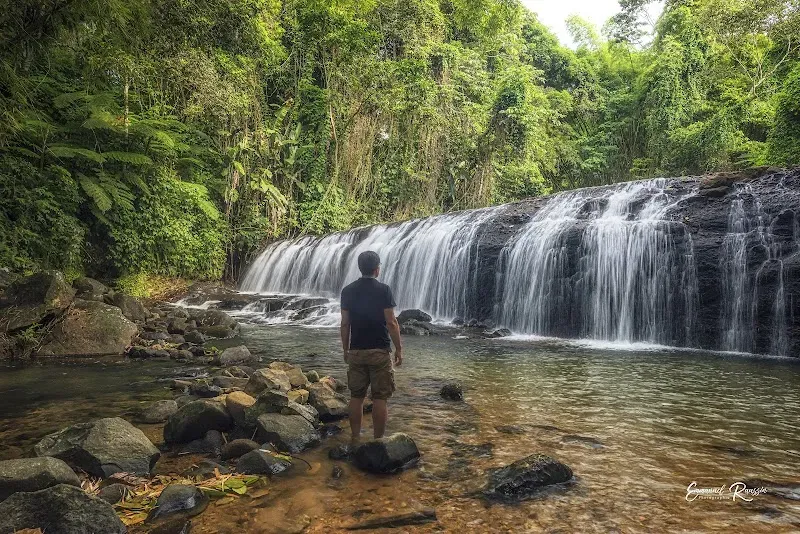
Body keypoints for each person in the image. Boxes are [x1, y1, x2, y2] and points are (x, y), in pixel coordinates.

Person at [340, 250, 403, 440]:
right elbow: (391, 322)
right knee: (380, 397)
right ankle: (378, 440)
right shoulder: (384, 290)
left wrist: (345, 349)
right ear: (377, 270)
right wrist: (399, 348)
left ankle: (355, 437)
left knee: (356, 397)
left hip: (356, 351)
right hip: (379, 351)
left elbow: (345, 323)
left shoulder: (347, 291)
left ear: (360, 268)